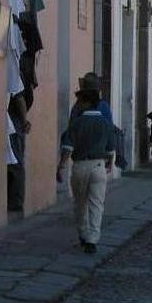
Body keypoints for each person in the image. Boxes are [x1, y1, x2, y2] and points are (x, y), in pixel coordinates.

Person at [57, 76, 116, 254]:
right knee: (97, 204)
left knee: (80, 202)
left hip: (80, 166)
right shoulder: (105, 124)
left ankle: (83, 234)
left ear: (85, 102)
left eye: (80, 100)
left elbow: (67, 147)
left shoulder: (77, 123)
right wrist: (110, 164)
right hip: (99, 166)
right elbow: (111, 148)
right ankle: (92, 239)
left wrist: (61, 166)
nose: (77, 104)